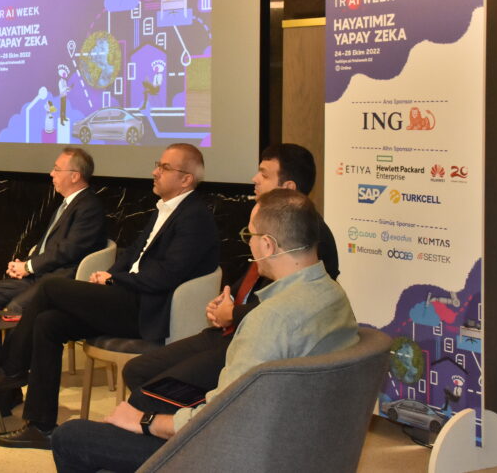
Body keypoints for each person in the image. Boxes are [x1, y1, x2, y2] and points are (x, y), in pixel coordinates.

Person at [50, 189, 360, 472]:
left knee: (72, 435)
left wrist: (146, 422)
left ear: (267, 245)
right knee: (148, 396)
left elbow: (221, 417)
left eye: (250, 235)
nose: (249, 243)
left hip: (236, 454)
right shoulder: (335, 296)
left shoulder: (270, 319)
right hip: (301, 438)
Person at [0, 143, 220, 449]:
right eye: (157, 164)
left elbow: (166, 275)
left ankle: (11, 369)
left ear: (186, 179)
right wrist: (109, 276)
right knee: (48, 323)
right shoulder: (164, 209)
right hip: (127, 297)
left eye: (164, 168)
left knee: (51, 287)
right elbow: (132, 255)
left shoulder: (194, 218)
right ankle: (40, 426)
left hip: (148, 310)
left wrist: (116, 279)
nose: (154, 172)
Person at [115, 143, 339, 414]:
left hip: (253, 342)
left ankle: (181, 427)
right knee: (138, 370)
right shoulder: (267, 223)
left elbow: (296, 310)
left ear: (288, 187)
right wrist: (227, 298)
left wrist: (233, 313)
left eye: (264, 174)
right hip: (227, 332)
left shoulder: (311, 237)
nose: (254, 179)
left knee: (152, 394)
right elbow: (252, 282)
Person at [0, 147, 107, 364]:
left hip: (60, 281)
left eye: (57, 169)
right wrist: (25, 264)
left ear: (75, 176)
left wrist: (29, 267)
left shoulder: (89, 207)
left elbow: (68, 250)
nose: (51, 173)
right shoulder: (66, 204)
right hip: (40, 275)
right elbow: (48, 246)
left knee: (16, 307)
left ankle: (12, 370)